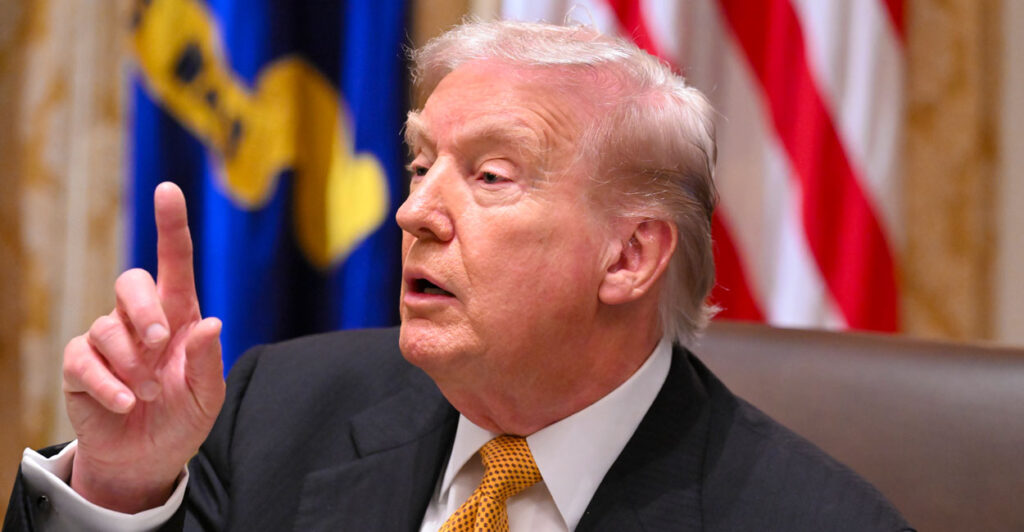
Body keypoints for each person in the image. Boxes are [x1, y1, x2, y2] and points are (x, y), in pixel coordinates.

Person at [4, 20, 912, 531]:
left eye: (487, 177)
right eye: (418, 165)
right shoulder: (281, 410)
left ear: (630, 256)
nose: (413, 213)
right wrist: (120, 488)